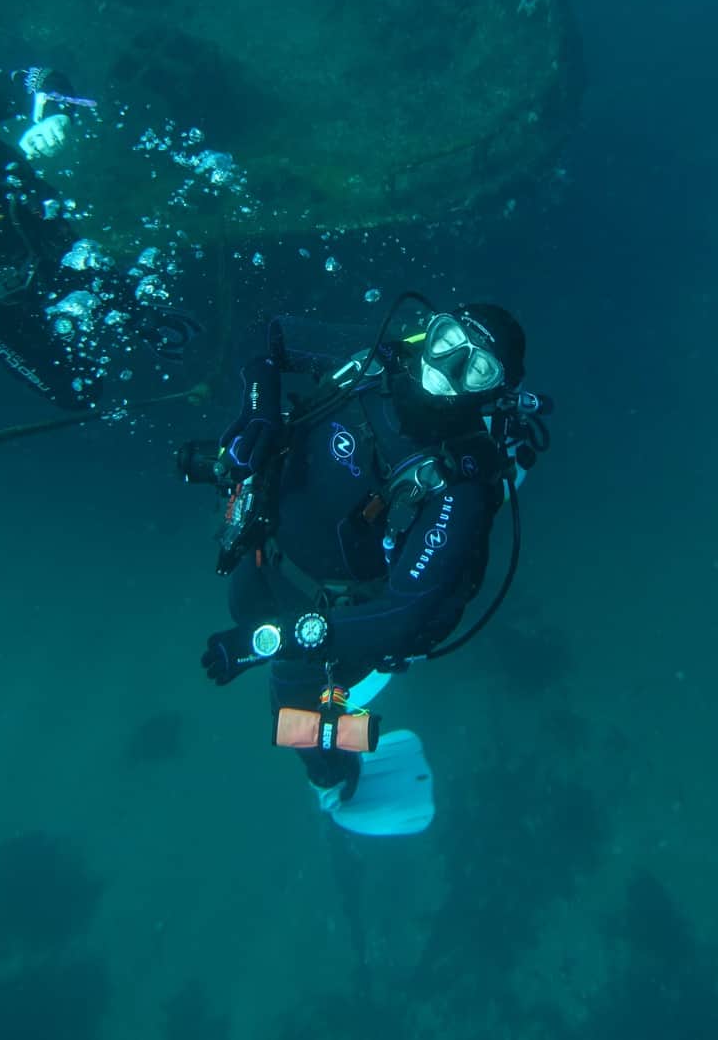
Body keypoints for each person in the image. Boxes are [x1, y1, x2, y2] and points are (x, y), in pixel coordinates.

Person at [186, 294, 551, 836]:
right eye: (449, 341)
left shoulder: (460, 485)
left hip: (337, 618)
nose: (447, 367)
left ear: (493, 390)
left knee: (293, 712)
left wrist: (273, 641)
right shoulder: (373, 360)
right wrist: (258, 408)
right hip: (265, 555)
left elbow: (404, 616)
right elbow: (265, 329)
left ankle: (334, 778)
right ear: (430, 330)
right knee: (244, 611)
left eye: (477, 368)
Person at [0, 67, 199, 410]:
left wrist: (55, 115)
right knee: (75, 392)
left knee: (160, 323)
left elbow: (39, 78)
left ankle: (184, 377)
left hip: (52, 244)